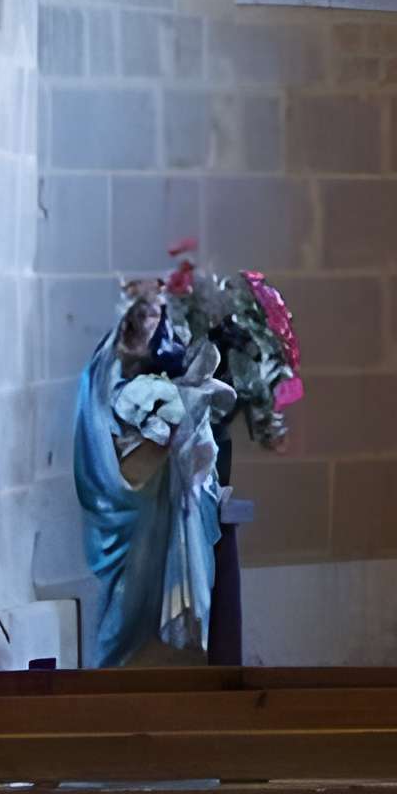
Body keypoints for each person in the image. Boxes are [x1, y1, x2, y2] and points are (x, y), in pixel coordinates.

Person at [72, 280, 239, 665]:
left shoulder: (171, 353)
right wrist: (154, 430)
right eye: (146, 312)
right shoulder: (110, 363)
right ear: (130, 316)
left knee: (179, 560)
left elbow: (190, 414)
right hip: (130, 489)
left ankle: (177, 638)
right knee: (132, 583)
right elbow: (100, 424)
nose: (153, 320)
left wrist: (183, 422)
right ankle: (129, 651)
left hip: (175, 488)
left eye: (158, 312)